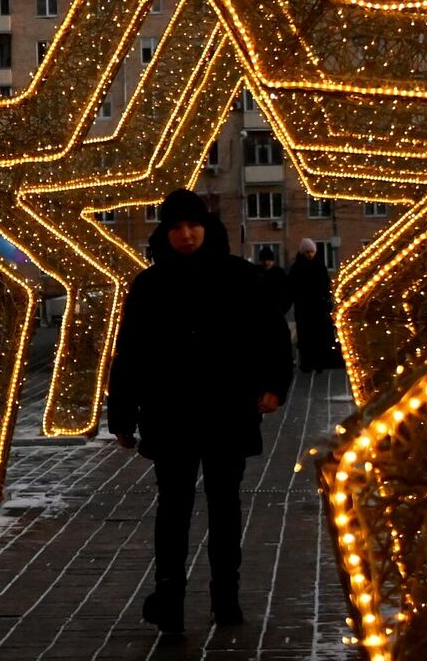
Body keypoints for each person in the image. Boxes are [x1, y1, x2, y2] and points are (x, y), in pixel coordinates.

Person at [108, 190, 293, 635]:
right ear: (164, 233)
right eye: (175, 228)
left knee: (225, 505)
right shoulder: (149, 285)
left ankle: (225, 597)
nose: (185, 235)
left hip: (226, 410)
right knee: (173, 505)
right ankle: (169, 597)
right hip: (169, 413)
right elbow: (130, 352)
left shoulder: (241, 277)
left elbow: (273, 336)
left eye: (192, 225)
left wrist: (274, 386)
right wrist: (122, 414)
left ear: (207, 229)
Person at [289, 238, 341, 372]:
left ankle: (318, 363)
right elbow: (292, 287)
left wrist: (326, 301)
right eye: (307, 252)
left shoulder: (319, 265)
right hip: (303, 309)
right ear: (302, 252)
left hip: (318, 308)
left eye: (311, 252)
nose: (309, 255)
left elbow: (326, 285)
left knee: (318, 336)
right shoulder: (297, 267)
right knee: (305, 337)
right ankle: (307, 363)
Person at [256, 245, 292, 316]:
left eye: (268, 260)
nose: (266, 262)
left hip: (277, 312)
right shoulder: (256, 272)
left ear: (273, 260)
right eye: (264, 260)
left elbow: (288, 293)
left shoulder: (280, 273)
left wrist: (282, 310)